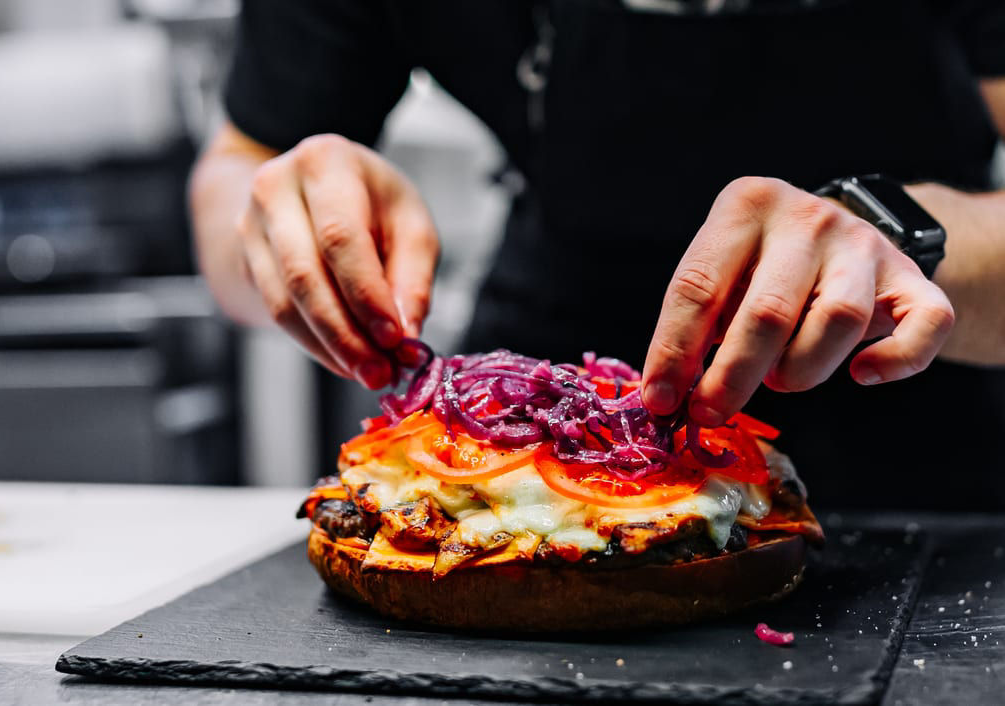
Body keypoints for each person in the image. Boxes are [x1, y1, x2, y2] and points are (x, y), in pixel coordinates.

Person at [190, 0, 1005, 509]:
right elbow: (235, 174)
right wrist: (284, 223)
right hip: (512, 449)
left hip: (924, 434)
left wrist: (892, 237)